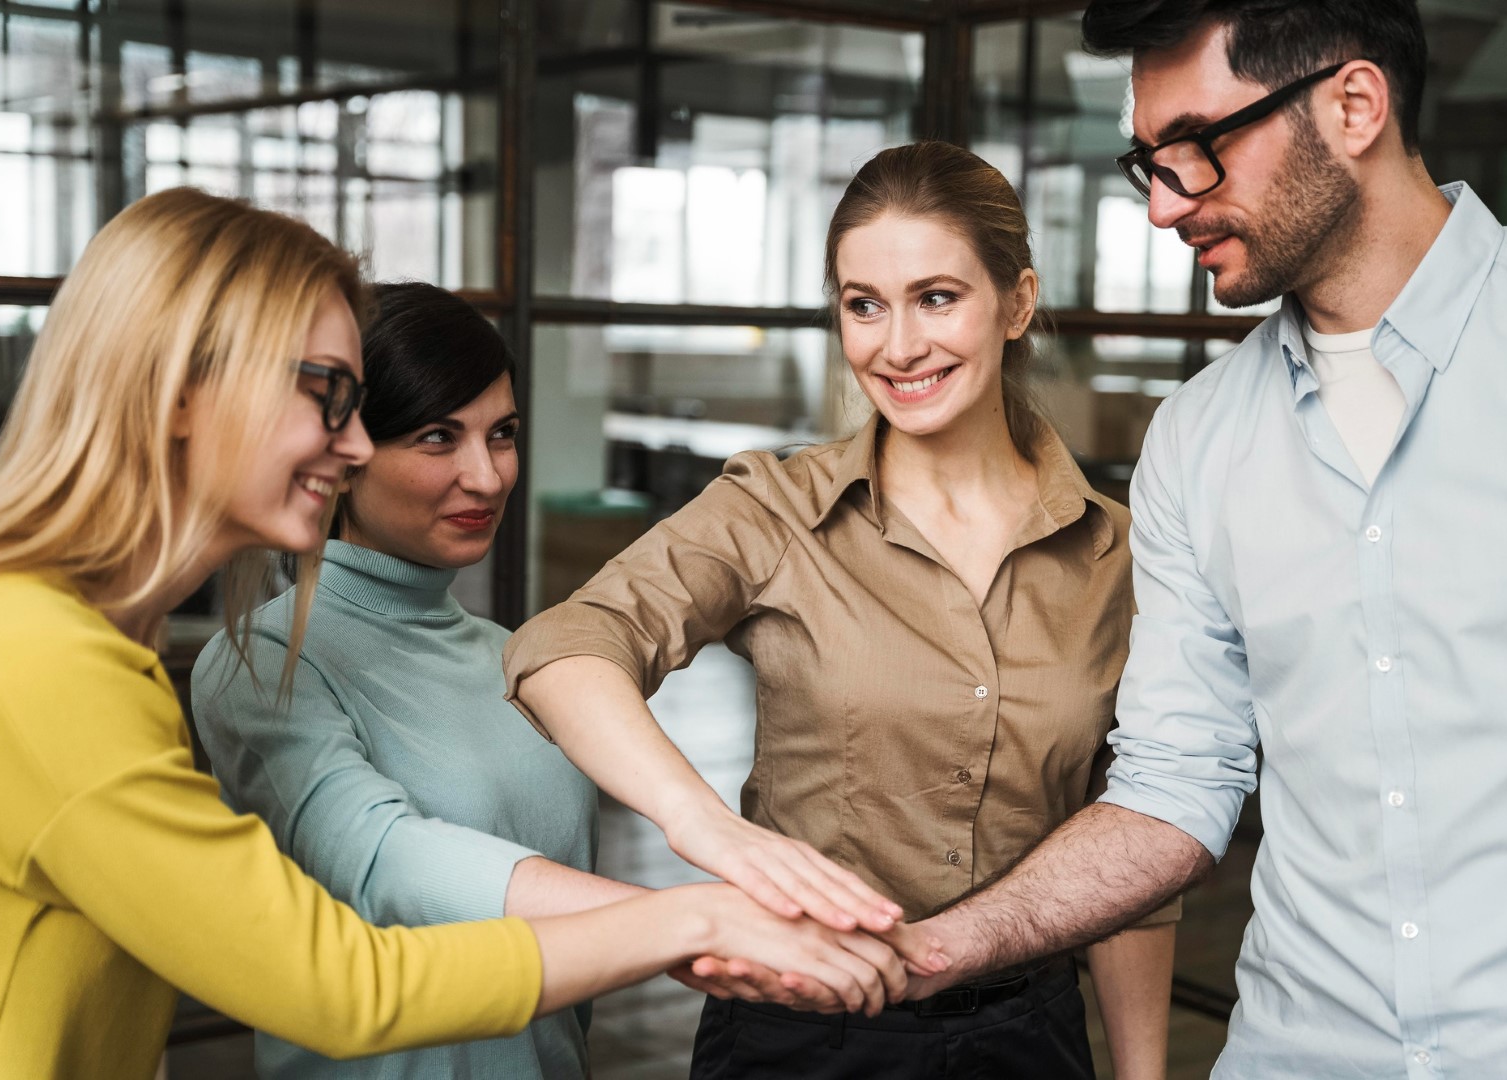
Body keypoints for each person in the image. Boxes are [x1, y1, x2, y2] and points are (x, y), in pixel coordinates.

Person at [0, 187, 915, 1080]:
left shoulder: (85, 651)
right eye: (327, 396)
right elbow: (339, 977)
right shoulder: (38, 661)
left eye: (500, 435)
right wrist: (695, 920)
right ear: (181, 389)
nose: (349, 447)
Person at [898, 2, 1507, 1077]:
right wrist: (935, 948)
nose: (1166, 206)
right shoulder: (1197, 439)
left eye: (1200, 149)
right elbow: (1177, 783)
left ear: (1355, 104)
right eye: (1151, 160)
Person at [503, 142, 1179, 1080]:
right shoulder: (773, 508)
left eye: (936, 298)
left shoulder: (1121, 554)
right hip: (803, 1038)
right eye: (864, 305)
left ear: (1017, 303)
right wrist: (704, 826)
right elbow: (566, 648)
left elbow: (1133, 850)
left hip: (1030, 1038)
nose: (897, 347)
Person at [190, 281, 626, 1079]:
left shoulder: (513, 656)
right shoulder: (260, 662)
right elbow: (385, 857)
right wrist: (676, 922)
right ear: (345, 454)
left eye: (502, 434)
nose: (488, 477)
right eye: (436, 437)